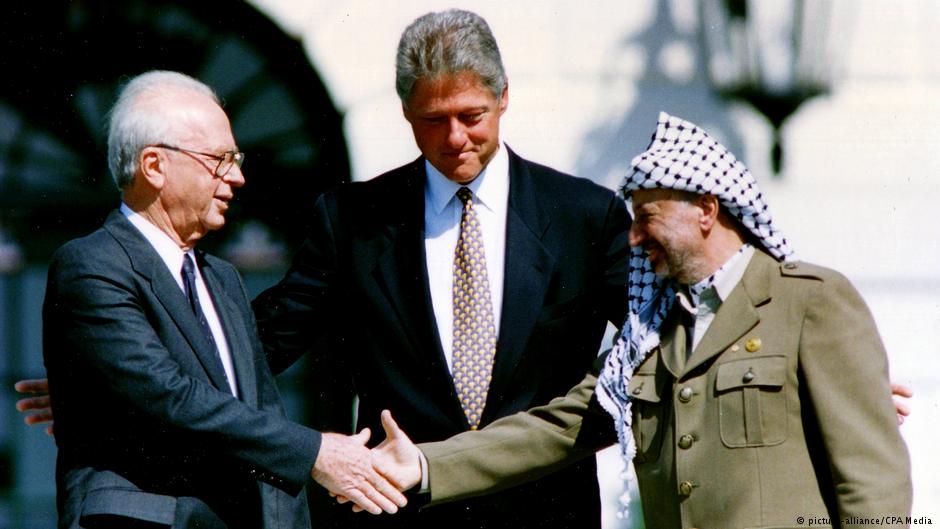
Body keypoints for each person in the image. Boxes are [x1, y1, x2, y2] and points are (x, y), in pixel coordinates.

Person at [369, 112, 913, 528]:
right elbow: (555, 429)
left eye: (647, 217)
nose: (632, 238)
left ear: (706, 209)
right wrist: (422, 464)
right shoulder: (651, 337)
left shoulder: (809, 303)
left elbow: (874, 487)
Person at [248, 8, 631, 529]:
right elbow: (257, 347)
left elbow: (651, 346)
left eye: (471, 116)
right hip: (397, 512)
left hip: (546, 510)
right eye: (433, 119)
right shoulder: (353, 221)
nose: (454, 139)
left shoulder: (584, 215)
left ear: (504, 98)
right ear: (406, 111)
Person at [39, 70, 405, 529]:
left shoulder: (223, 279)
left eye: (237, 158)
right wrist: (315, 452)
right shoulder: (92, 264)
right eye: (220, 159)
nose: (237, 176)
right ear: (155, 166)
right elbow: (170, 395)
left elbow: (256, 411)